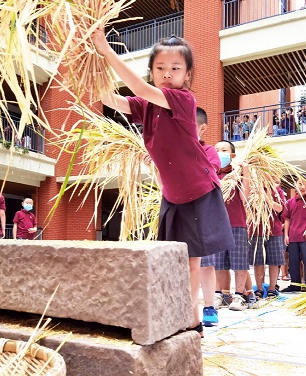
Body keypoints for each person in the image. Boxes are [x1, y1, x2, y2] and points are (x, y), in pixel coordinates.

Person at [91, 30, 234, 334]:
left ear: (188, 74)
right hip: (173, 196)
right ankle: (184, 316)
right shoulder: (148, 106)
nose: (167, 74)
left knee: (192, 262)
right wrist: (91, 65)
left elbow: (140, 88)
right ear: (152, 70)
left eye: (175, 68)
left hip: (198, 192)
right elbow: (109, 99)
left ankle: (191, 320)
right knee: (176, 261)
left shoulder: (183, 99)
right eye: (160, 68)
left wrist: (106, 51)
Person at [206, 140, 251, 312]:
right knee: (218, 263)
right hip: (215, 224)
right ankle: (218, 294)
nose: (219, 153)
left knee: (239, 262)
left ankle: (239, 296)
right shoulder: (211, 174)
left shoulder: (238, 174)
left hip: (237, 222)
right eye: (216, 150)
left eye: (223, 150)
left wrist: (244, 170)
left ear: (232, 155)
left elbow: (244, 198)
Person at [196, 107, 221, 327]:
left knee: (205, 264)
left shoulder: (209, 151)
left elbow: (208, 175)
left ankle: (209, 306)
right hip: (178, 211)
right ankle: (188, 308)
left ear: (202, 128)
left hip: (203, 214)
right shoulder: (170, 149)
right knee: (184, 264)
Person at [250, 180, 286, 306]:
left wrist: (264, 196)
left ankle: (272, 289)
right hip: (256, 230)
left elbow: (280, 208)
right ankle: (259, 289)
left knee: (274, 262)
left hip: (274, 230)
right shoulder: (251, 187)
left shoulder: (277, 191)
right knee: (258, 261)